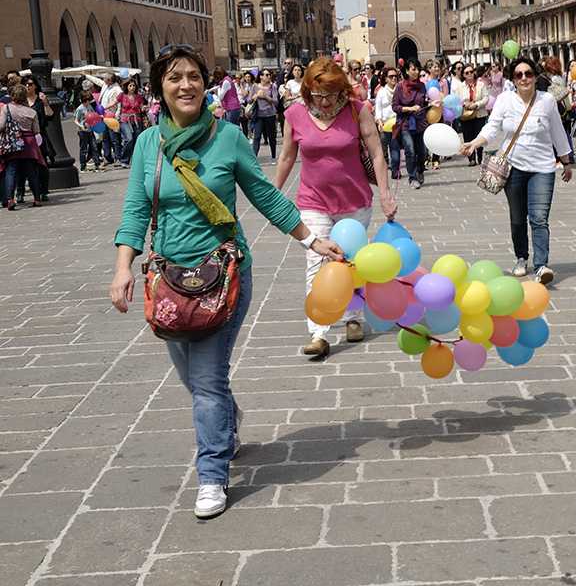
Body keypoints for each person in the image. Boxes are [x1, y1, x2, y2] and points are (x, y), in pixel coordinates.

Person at [110, 45, 343, 519]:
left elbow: (264, 195)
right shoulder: (148, 144)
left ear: (206, 84)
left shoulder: (229, 137)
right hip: (169, 281)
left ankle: (212, 474)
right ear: (160, 88)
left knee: (207, 379)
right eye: (175, 77)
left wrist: (311, 240)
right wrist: (121, 268)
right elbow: (135, 209)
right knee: (193, 378)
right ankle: (226, 419)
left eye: (194, 76)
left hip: (225, 274)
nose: (186, 85)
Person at [274, 57, 397, 358]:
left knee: (350, 260)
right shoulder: (295, 113)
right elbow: (287, 157)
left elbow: (376, 153)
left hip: (354, 201)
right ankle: (318, 331)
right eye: (318, 95)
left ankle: (353, 317)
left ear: (342, 90)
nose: (325, 102)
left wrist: (385, 194)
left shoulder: (357, 110)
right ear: (308, 92)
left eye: (331, 95)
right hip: (313, 201)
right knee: (316, 261)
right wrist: (273, 194)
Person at [461, 58, 573, 286]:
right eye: (519, 75)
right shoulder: (505, 100)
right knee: (518, 217)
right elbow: (492, 127)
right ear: (513, 79)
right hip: (513, 167)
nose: (524, 78)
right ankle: (521, 257)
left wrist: (566, 161)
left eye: (528, 73)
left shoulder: (547, 100)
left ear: (535, 76)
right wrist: (474, 143)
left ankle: (541, 266)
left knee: (539, 218)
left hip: (542, 167)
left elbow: (557, 131)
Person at [0, 85, 46, 209]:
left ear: (12, 95)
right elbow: (36, 130)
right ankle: (37, 198)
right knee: (31, 172)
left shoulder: (6, 108)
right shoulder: (31, 112)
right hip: (29, 143)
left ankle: (10, 199)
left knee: (11, 171)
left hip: (13, 142)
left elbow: (1, 126)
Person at [392, 59, 431, 189]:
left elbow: (424, 103)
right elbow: (395, 106)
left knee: (422, 152)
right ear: (407, 71)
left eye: (418, 69)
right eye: (413, 69)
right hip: (405, 124)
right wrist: (409, 109)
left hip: (420, 123)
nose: (416, 71)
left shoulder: (422, 86)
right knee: (410, 150)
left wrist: (431, 104)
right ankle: (412, 177)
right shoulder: (400, 86)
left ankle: (420, 171)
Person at [85, 72, 124, 167]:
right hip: (103, 115)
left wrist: (117, 115)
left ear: (109, 80)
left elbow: (119, 103)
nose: (103, 80)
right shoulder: (106, 85)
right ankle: (108, 158)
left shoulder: (117, 89)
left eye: (105, 78)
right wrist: (86, 75)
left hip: (111, 115)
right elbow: (97, 81)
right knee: (105, 137)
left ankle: (118, 158)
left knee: (114, 138)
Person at [458, 63, 489, 167]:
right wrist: (464, 104)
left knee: (479, 135)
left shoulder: (481, 84)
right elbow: (457, 100)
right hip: (466, 115)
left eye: (471, 71)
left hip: (479, 114)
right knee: (468, 136)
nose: (469, 74)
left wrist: (477, 104)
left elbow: (486, 98)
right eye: (467, 73)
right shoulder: (460, 86)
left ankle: (480, 156)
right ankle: (471, 158)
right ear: (463, 75)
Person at [375, 66, 401, 178]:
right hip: (386, 124)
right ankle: (388, 168)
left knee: (396, 147)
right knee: (387, 148)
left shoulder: (400, 90)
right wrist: (379, 121)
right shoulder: (381, 92)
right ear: (385, 79)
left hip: (398, 123)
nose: (394, 78)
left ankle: (396, 170)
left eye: (395, 76)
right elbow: (378, 108)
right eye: (391, 76)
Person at [249, 68, 278, 160]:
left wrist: (265, 96)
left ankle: (273, 156)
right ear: (261, 76)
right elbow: (249, 100)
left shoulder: (273, 86)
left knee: (271, 137)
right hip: (258, 115)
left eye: (269, 75)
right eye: (266, 75)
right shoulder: (255, 86)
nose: (269, 76)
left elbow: (276, 101)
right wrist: (255, 96)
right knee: (257, 137)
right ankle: (254, 158)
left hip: (270, 114)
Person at [118, 79, 146, 167]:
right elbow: (114, 103)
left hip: (136, 120)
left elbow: (141, 107)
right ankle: (124, 160)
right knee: (129, 139)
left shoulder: (138, 97)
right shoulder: (122, 95)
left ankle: (136, 160)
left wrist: (144, 108)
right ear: (127, 87)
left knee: (137, 140)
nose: (132, 87)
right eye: (130, 85)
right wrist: (104, 108)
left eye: (134, 85)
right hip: (125, 120)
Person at [73, 90, 102, 172]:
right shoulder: (80, 109)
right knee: (84, 149)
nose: (88, 102)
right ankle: (83, 166)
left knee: (94, 147)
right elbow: (75, 120)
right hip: (83, 132)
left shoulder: (89, 106)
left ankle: (97, 165)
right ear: (83, 100)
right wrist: (81, 126)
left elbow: (93, 115)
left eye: (89, 100)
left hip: (90, 130)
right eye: (86, 100)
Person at [237, 71, 255, 137]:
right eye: (246, 77)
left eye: (249, 77)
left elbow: (244, 94)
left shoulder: (249, 85)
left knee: (247, 122)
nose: (247, 78)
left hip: (247, 105)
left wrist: (241, 85)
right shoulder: (239, 85)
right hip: (241, 105)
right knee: (242, 123)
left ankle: (249, 135)